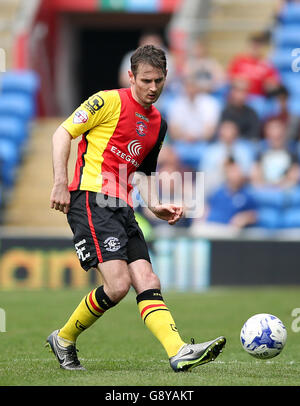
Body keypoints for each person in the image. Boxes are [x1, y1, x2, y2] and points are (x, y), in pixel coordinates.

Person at [46, 45, 226, 372]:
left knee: (147, 277)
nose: (153, 88)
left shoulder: (159, 124)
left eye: (159, 80)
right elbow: (62, 133)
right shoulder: (107, 101)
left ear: (166, 77)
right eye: (146, 80)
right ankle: (63, 338)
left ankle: (178, 351)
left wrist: (155, 205)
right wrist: (60, 181)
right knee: (117, 286)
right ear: (131, 76)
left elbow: (141, 172)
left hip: (124, 206)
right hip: (91, 197)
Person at [167, 74, 221, 169]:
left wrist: (195, 137)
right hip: (182, 143)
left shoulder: (210, 103)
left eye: (193, 86)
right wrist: (186, 137)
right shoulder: (177, 104)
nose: (190, 90)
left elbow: (210, 132)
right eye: (188, 86)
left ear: (198, 88)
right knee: (169, 156)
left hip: (203, 143)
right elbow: (173, 131)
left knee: (211, 156)